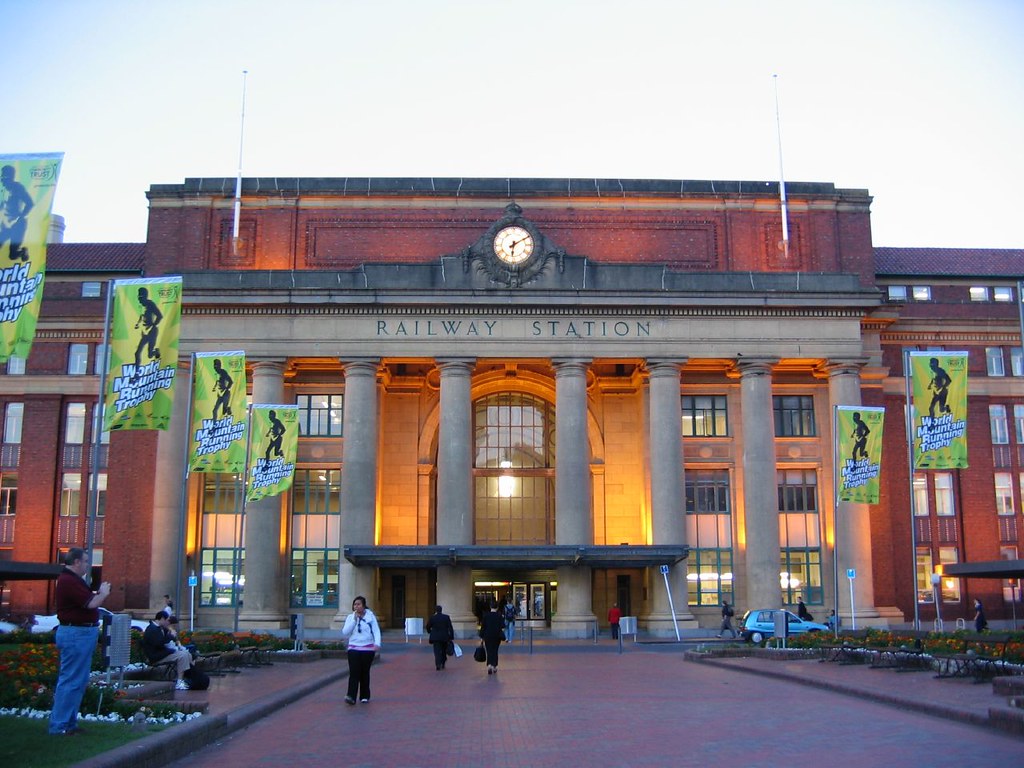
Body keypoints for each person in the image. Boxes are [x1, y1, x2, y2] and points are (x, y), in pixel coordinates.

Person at [48, 547, 111, 736]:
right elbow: (91, 603)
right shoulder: (68, 581)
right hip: (76, 634)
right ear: (75, 562)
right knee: (71, 680)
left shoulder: (73, 580)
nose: (87, 565)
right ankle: (59, 725)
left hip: (81, 633)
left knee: (78, 680)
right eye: (84, 561)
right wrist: (103, 592)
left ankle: (68, 723)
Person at [341, 596, 380, 704]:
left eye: (359, 604)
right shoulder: (350, 617)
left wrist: (377, 644)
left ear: (363, 605)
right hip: (354, 648)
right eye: (355, 604)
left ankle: (364, 696)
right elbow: (345, 632)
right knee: (354, 672)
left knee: (364, 672)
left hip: (367, 649)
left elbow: (376, 631)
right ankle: (351, 696)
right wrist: (354, 621)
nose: (356, 606)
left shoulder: (370, 617)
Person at [142, 611, 193, 690]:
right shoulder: (152, 629)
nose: (168, 622)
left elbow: (167, 640)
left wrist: (172, 636)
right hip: (156, 657)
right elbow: (159, 643)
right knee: (182, 656)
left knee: (186, 653)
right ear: (162, 619)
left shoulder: (160, 628)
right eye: (167, 620)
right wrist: (170, 636)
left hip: (162, 654)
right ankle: (179, 682)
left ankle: (185, 677)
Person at [0, 164, 34, 262]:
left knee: (13, 255)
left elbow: (30, 203)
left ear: (10, 177)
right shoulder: (3, 190)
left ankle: (23, 252)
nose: (3, 180)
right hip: (5, 225)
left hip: (18, 224)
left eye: (5, 177)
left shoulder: (18, 188)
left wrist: (20, 217)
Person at [133, 286, 163, 369]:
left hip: (152, 332)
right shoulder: (141, 306)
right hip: (144, 333)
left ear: (145, 296)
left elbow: (160, 316)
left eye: (141, 297)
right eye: (138, 297)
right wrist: (137, 324)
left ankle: (156, 352)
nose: (139, 299)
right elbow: (141, 317)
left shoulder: (150, 304)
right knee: (137, 353)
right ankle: (137, 372)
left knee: (150, 355)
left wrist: (153, 325)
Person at [479, 600, 504, 675]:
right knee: (495, 650)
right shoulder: (499, 615)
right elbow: (502, 626)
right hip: (497, 636)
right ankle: (494, 666)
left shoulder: (486, 616)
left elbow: (483, 627)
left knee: (489, 650)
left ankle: (489, 665)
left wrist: (481, 637)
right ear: (497, 607)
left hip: (487, 635)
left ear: (490, 607)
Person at [426, 604, 454, 671]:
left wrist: (429, 631)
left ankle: (438, 664)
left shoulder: (433, 617)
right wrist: (451, 636)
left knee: (437, 651)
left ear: (436, 610)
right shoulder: (446, 617)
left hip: (435, 637)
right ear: (441, 610)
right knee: (444, 650)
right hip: (444, 637)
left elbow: (428, 626)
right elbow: (450, 627)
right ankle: (443, 662)